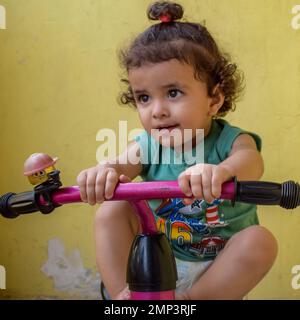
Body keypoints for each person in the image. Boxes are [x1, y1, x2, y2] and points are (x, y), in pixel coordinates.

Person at [77, 1, 278, 300]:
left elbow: (252, 163)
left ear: (214, 100)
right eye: (143, 97)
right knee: (111, 210)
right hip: (156, 260)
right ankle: (125, 296)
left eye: (173, 93)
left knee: (261, 241)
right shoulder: (147, 145)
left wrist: (221, 171)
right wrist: (105, 171)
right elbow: (121, 165)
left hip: (218, 268)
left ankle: (189, 301)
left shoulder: (230, 141)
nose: (157, 110)